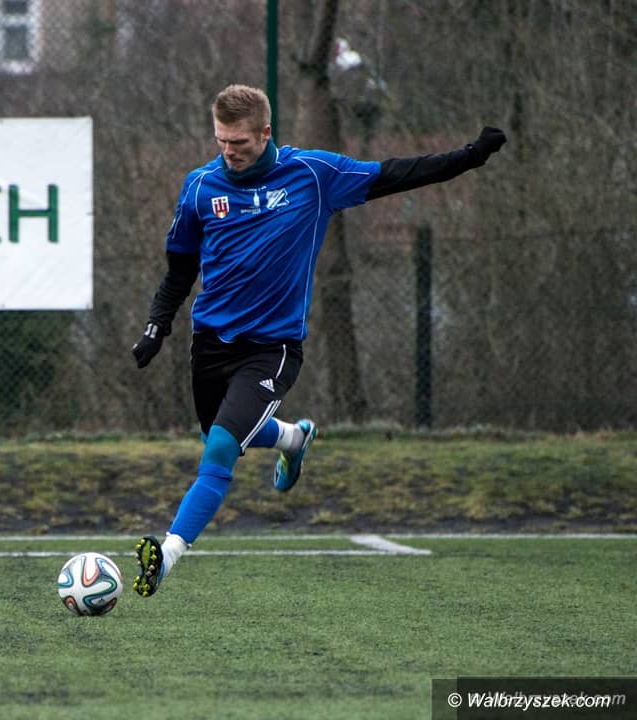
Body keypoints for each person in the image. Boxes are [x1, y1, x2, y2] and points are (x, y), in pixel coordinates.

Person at [130, 84, 506, 597]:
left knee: (220, 447)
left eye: (239, 142)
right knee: (225, 434)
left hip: (273, 347)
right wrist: (158, 325)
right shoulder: (199, 188)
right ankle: (292, 438)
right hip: (210, 342)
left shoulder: (312, 175)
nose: (228, 151)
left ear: (265, 133)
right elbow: (179, 269)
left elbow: (394, 174)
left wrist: (470, 156)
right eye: (221, 141)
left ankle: (167, 555)